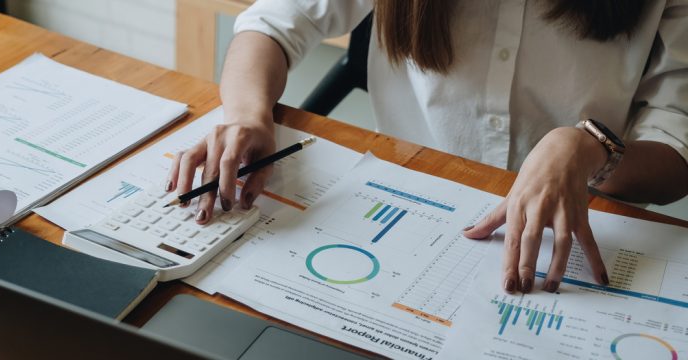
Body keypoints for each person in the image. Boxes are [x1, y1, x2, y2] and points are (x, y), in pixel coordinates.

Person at [166, 0, 688, 294]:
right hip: (408, 215)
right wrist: (246, 114)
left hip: (583, 234)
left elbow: (676, 147)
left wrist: (590, 147)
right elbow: (275, 25)